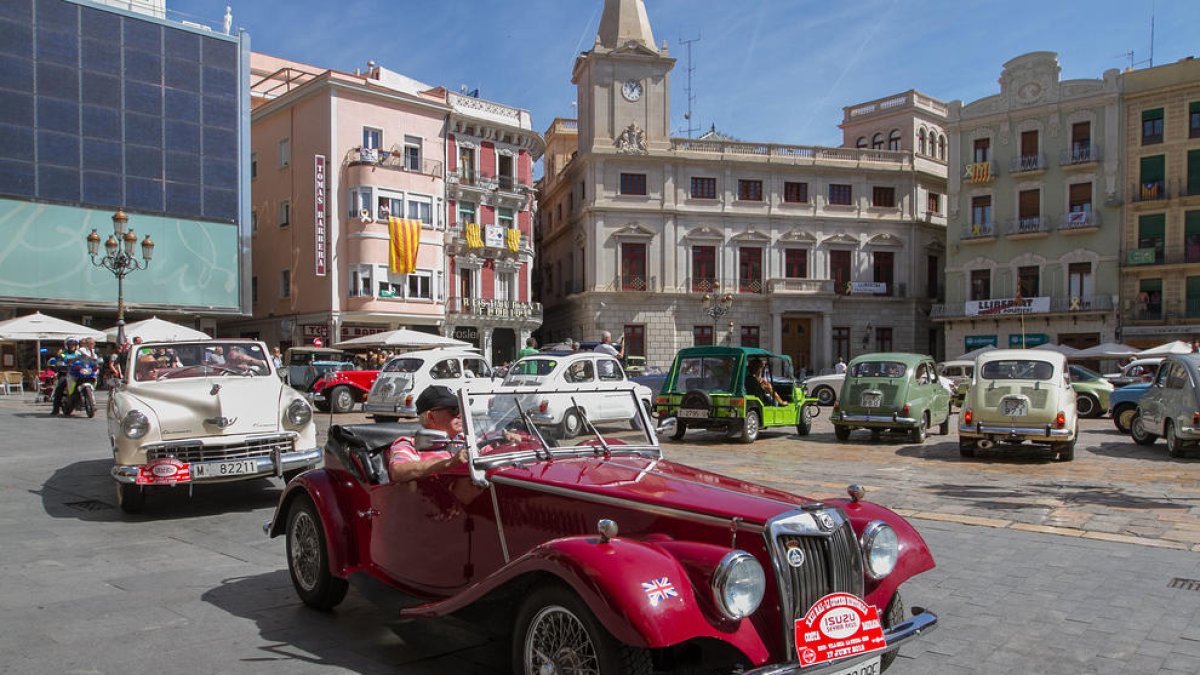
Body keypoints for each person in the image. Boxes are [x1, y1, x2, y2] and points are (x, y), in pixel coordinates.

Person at [386, 385, 470, 483]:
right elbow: (397, 471)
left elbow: (488, 451)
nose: (460, 414)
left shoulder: (466, 439)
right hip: (433, 496)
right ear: (431, 417)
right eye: (454, 410)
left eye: (461, 409)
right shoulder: (410, 444)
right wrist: (449, 463)